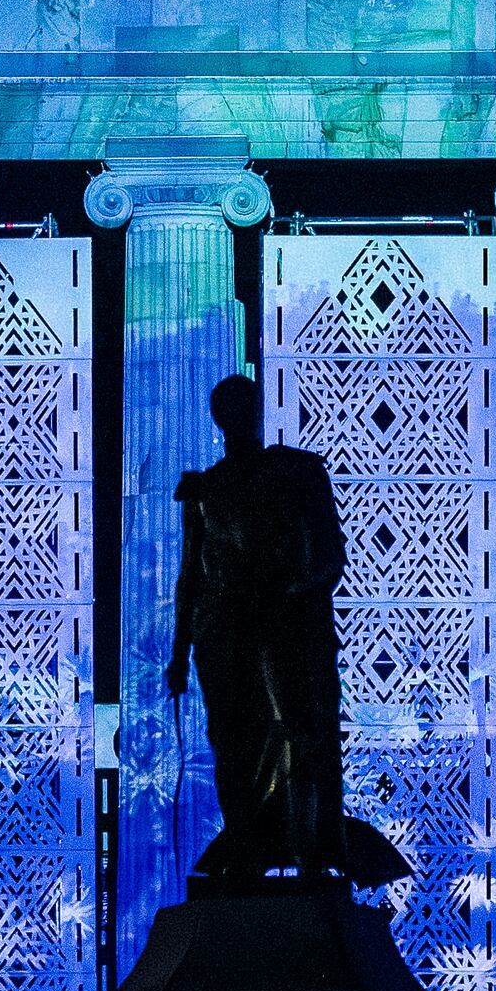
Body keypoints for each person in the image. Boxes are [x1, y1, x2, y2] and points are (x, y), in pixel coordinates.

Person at [164, 374, 359, 880]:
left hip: (287, 629)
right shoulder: (205, 489)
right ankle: (248, 855)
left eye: (244, 406)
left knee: (301, 738)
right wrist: (179, 650)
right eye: (229, 408)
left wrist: (287, 588)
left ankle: (310, 855)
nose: (238, 417)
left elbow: (329, 555)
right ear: (219, 418)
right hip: (226, 636)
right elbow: (192, 574)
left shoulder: (296, 472)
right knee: (233, 747)